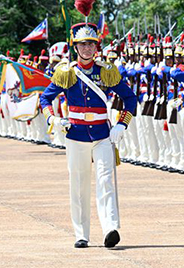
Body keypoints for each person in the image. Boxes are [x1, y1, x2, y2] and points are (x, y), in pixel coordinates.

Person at [39, 22, 136, 249]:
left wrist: (122, 124)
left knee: (106, 180)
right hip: (76, 134)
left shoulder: (106, 71)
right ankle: (81, 234)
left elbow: (130, 98)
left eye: (91, 44)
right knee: (79, 184)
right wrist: (53, 119)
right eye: (82, 44)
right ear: (75, 47)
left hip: (103, 134)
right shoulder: (66, 72)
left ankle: (110, 228)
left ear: (96, 47)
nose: (87, 49)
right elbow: (45, 99)